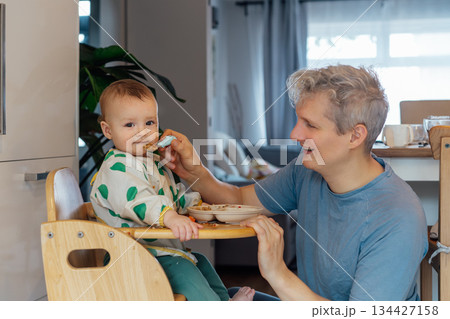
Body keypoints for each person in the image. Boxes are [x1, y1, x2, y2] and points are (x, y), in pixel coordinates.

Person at [159, 65, 428, 301]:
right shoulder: (306, 173)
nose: (295, 134)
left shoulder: (397, 217)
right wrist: (194, 171)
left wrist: (277, 273)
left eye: (310, 125)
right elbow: (240, 201)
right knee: (227, 299)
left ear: (355, 135)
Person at [90, 79, 255, 301]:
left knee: (200, 262)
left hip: (162, 253)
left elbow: (172, 198)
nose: (142, 132)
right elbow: (139, 201)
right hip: (136, 258)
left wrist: (196, 206)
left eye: (149, 123)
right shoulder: (116, 168)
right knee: (185, 270)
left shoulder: (152, 162)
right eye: (130, 125)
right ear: (108, 130)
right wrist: (169, 217)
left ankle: (224, 303)